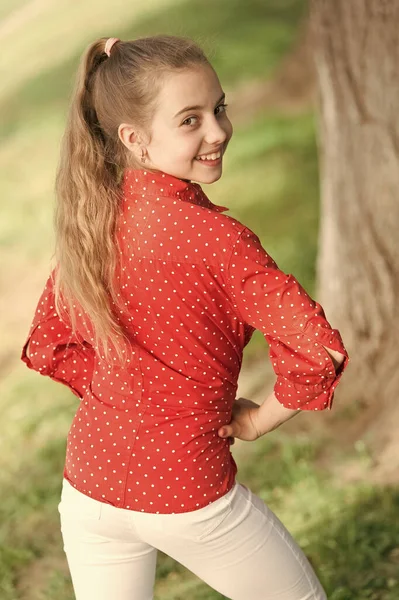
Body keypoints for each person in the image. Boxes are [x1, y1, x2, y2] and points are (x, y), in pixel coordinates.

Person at [21, 34, 349, 600]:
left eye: (219, 108)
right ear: (134, 138)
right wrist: (258, 419)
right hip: (186, 491)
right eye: (190, 120)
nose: (218, 131)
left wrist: (130, 398)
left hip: (89, 489)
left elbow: (54, 341)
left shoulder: (90, 224)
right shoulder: (220, 241)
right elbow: (318, 349)